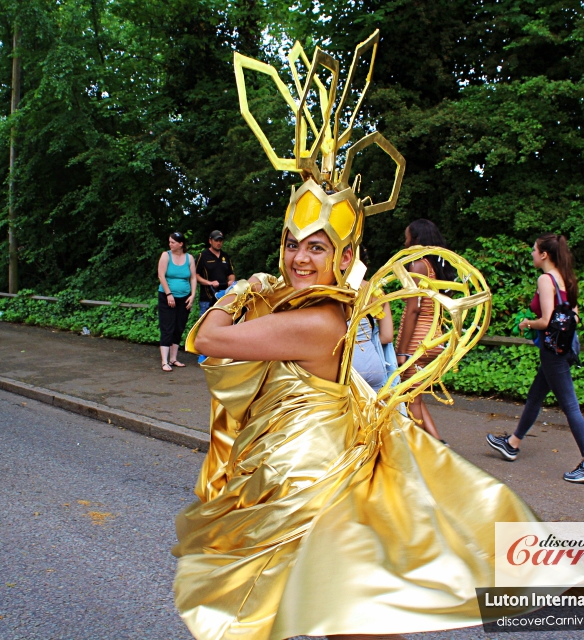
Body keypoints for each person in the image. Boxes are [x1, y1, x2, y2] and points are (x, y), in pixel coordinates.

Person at [174, 31, 544, 640]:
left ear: (342, 254)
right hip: (322, 475)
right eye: (292, 244)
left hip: (316, 492)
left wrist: (241, 292)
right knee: (351, 609)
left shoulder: (316, 320)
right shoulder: (339, 308)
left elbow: (210, 339)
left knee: (330, 611)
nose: (298, 258)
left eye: (315, 247)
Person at [486, 233, 584, 485]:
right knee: (536, 396)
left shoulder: (545, 279)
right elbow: (576, 317)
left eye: (534, 249)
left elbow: (547, 320)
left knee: (570, 405)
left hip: (552, 352)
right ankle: (512, 444)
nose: (531, 253)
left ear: (544, 254)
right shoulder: (567, 278)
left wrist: (527, 323)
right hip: (567, 347)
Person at [394, 219, 457, 443]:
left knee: (410, 398)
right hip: (435, 338)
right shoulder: (436, 268)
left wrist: (401, 351)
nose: (405, 242)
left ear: (417, 239)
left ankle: (425, 451)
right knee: (416, 397)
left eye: (407, 237)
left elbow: (413, 310)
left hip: (417, 341)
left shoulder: (418, 264)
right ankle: (439, 444)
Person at [156, 231, 196, 371]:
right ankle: (164, 361)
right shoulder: (165, 255)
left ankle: (173, 359)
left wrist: (192, 295)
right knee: (168, 327)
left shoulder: (189, 258)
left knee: (179, 327)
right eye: (169, 242)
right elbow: (161, 275)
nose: (170, 244)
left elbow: (193, 278)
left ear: (181, 244)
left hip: (184, 297)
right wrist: (169, 294)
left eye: (173, 242)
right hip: (167, 296)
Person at [194, 230, 235, 316]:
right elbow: (195, 276)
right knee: (205, 325)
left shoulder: (225, 256)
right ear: (210, 241)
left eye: (220, 241)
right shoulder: (203, 256)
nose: (219, 243)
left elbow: (231, 273)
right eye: (216, 240)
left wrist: (231, 281)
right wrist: (210, 283)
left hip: (224, 297)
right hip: (207, 298)